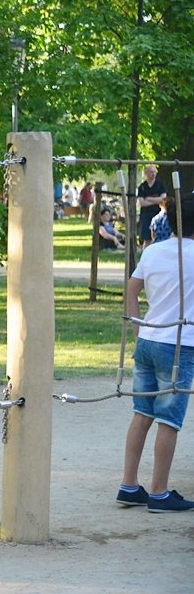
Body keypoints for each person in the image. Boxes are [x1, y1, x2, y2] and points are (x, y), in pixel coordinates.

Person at [116, 193, 194, 512]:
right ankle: (159, 492)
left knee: (142, 413)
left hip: (148, 338)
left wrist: (137, 329)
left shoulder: (153, 251)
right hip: (179, 344)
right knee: (169, 418)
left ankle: (129, 484)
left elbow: (132, 290)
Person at [137, 164, 168, 247]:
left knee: (159, 237)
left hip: (158, 214)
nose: (153, 174)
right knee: (147, 238)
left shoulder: (160, 185)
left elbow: (163, 198)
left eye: (154, 172)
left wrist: (148, 199)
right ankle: (145, 256)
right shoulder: (142, 187)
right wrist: (156, 200)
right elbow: (141, 203)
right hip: (146, 215)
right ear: (146, 173)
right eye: (151, 172)